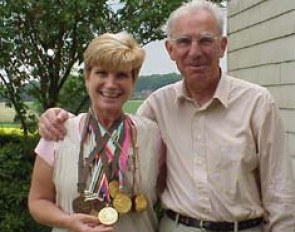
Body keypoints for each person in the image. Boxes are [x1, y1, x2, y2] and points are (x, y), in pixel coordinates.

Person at [38, 0, 295, 231]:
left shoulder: (257, 103)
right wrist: (57, 118)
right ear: (170, 49)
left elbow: (280, 191)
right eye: (184, 41)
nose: (194, 51)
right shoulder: (157, 106)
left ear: (223, 46)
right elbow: (111, 128)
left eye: (205, 40)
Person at [29, 32, 163, 232]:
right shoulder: (58, 132)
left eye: (121, 75)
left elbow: (164, 193)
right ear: (87, 78)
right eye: (102, 73)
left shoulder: (152, 135)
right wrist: (68, 222)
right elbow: (38, 202)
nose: (111, 84)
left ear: (132, 81)